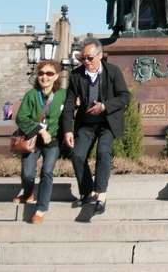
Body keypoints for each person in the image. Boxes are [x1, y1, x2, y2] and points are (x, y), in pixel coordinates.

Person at [62, 37, 130, 215]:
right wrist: (67, 130)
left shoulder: (112, 71)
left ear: (100, 55)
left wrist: (104, 106)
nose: (86, 62)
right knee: (77, 155)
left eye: (89, 58)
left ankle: (101, 195)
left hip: (107, 122)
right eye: (82, 58)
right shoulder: (77, 75)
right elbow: (69, 104)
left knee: (103, 152)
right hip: (86, 124)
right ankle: (87, 191)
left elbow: (125, 97)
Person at [14, 61, 66, 223]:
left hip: (54, 140)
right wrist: (40, 130)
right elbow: (21, 118)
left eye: (49, 74)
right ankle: (28, 193)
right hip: (33, 139)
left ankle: (41, 209)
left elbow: (71, 109)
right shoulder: (31, 94)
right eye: (42, 73)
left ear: (56, 76)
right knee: (28, 174)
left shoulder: (62, 94)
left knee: (47, 172)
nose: (45, 77)